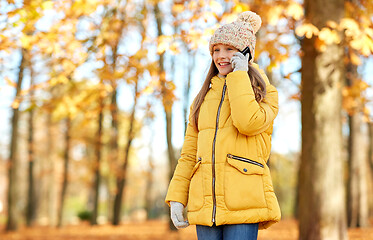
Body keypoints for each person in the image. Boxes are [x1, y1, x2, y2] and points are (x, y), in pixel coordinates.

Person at [165, 11, 281, 240]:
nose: (221, 56)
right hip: (205, 204)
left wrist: (240, 75)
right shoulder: (202, 99)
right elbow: (189, 154)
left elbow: (248, 123)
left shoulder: (266, 93)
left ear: (246, 53)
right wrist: (177, 197)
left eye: (229, 49)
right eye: (216, 50)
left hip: (243, 204)